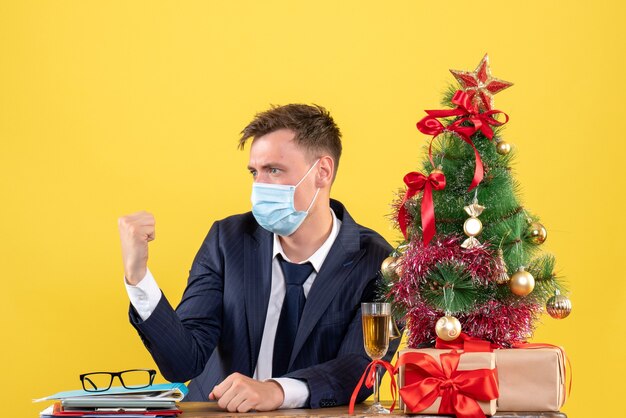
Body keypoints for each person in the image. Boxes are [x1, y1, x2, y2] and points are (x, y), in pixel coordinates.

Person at [118, 104, 399, 413]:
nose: (259, 186)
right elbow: (184, 361)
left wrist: (277, 391)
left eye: (274, 170)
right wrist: (138, 276)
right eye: (255, 172)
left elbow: (362, 368)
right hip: (215, 414)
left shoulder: (378, 262)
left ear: (322, 172)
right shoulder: (227, 240)